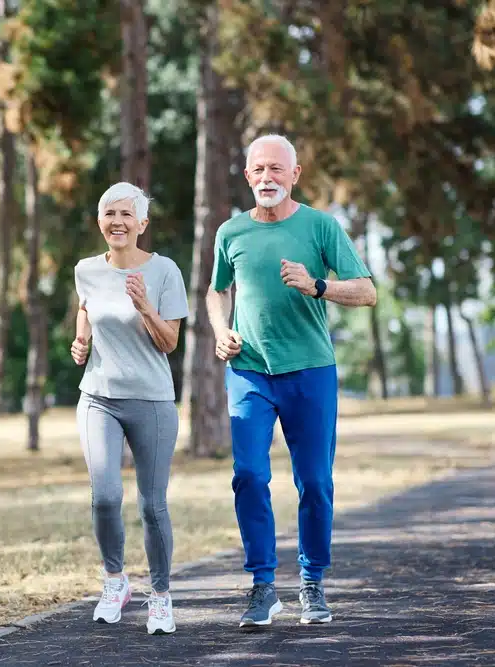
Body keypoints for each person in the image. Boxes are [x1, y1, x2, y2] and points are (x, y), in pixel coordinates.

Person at [206, 135, 377, 628]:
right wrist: (222, 331)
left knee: (315, 483)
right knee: (249, 476)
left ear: (295, 174)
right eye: (258, 170)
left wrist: (317, 285)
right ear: (247, 176)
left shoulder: (320, 226)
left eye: (277, 170)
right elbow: (217, 292)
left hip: (310, 371)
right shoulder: (230, 232)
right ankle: (262, 586)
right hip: (250, 372)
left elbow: (367, 292)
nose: (267, 178)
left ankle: (312, 583)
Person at [71, 181, 190, 635]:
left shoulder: (164, 272)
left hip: (152, 400)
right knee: (104, 497)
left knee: (152, 506)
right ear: (100, 221)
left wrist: (143, 306)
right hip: (98, 397)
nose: (117, 222)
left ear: (142, 223)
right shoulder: (86, 269)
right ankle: (115, 580)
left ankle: (160, 596)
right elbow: (86, 308)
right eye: (109, 214)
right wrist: (81, 341)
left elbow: (170, 341)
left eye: (126, 214)